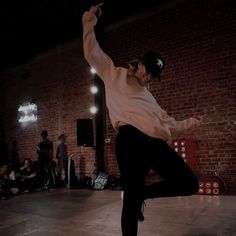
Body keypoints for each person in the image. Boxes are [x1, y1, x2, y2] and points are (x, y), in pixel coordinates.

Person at [82, 3, 203, 236]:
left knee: (189, 183)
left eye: (152, 76)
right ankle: (134, 198)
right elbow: (91, 51)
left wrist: (190, 122)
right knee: (129, 205)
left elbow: (168, 123)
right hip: (129, 141)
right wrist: (90, 18)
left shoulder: (150, 98)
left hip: (153, 143)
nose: (148, 77)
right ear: (139, 64)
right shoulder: (114, 74)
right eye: (147, 71)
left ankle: (141, 194)